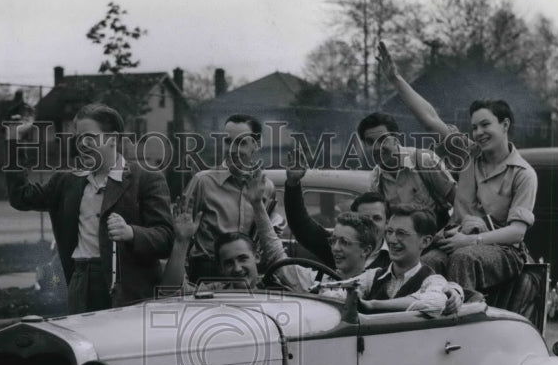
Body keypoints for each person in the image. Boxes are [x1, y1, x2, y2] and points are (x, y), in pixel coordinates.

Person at [377, 42, 538, 295]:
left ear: (505, 124)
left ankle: (459, 326)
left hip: (503, 250)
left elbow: (517, 233)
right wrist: (396, 79)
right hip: (456, 239)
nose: (479, 133)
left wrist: (471, 240)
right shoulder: (468, 154)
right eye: (474, 127)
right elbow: (431, 118)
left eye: (486, 125)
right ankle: (411, 325)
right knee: (424, 264)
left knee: (464, 259)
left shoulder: (523, 173)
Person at [7, 102, 174, 314]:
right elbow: (20, 197)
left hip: (130, 291)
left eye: (90, 138)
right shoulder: (67, 181)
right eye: (78, 138)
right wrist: (14, 141)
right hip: (80, 284)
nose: (82, 144)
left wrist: (131, 232)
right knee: (85, 346)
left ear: (112, 139)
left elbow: (166, 238)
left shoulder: (146, 179)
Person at [162, 174, 377, 300]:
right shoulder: (213, 291)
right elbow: (173, 293)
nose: (237, 269)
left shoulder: (279, 289)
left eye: (243, 259)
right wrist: (181, 241)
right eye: (228, 263)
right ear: (219, 267)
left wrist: (257, 205)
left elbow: (276, 255)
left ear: (256, 257)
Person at [182, 114, 277, 282]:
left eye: (241, 142)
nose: (232, 149)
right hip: (207, 273)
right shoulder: (202, 182)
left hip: (246, 275)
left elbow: (267, 238)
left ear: (257, 144)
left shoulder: (266, 188)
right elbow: (181, 236)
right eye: (228, 141)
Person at [282, 146, 391, 272]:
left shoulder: (396, 256)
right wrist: (292, 183)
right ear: (354, 221)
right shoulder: (337, 247)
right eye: (365, 219)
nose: (371, 224)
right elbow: (300, 225)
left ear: (387, 223)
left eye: (377, 218)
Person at [360, 207, 466, 318]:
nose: (391, 240)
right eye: (389, 232)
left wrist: (373, 305)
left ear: (425, 241)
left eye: (401, 233)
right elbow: (341, 292)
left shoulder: (432, 281)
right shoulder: (372, 276)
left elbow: (436, 302)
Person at [357, 111, 455, 228]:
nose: (377, 147)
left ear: (396, 138)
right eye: (370, 142)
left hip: (438, 236)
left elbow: (459, 201)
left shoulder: (424, 160)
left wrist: (448, 232)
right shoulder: (376, 179)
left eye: (383, 139)